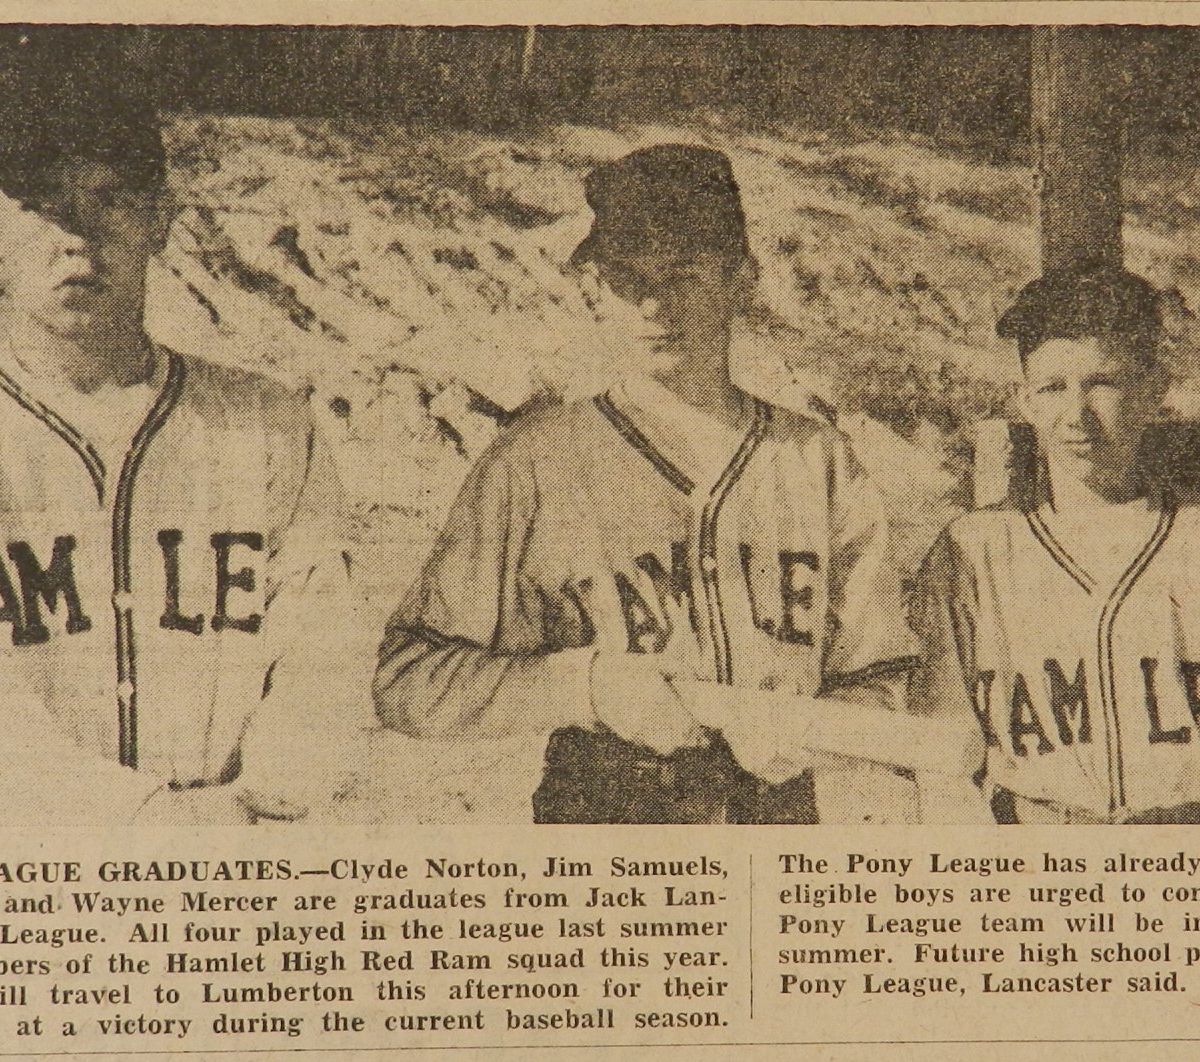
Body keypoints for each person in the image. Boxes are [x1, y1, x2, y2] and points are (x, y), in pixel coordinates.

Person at [0, 36, 347, 825]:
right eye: (43, 203)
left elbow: (324, 657)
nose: (76, 234)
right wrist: (141, 820)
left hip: (240, 848)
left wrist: (265, 804)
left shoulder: (268, 425)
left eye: (110, 197)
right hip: (24, 868)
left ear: (159, 222)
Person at [373, 144, 919, 824]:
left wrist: (814, 729)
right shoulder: (536, 464)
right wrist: (583, 687)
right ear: (597, 288)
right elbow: (409, 682)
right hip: (607, 811)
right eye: (631, 278)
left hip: (776, 815)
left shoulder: (817, 461)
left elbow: (886, 678)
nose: (658, 305)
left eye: (686, 273)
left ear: (741, 279)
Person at [909, 267, 1200, 824]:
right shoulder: (971, 551)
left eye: (1103, 383)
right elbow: (942, 756)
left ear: (1154, 391)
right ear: (1024, 401)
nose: (1077, 415)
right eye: (1052, 388)